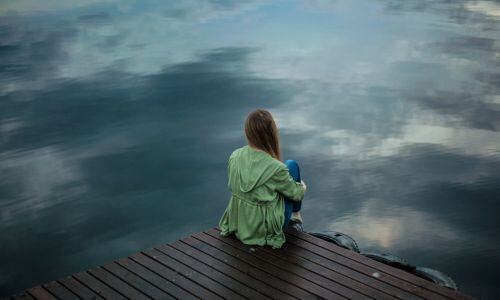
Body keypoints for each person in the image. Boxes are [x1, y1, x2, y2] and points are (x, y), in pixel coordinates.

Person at [218, 109, 307, 249]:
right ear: (272, 133)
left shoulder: (234, 156)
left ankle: (293, 215)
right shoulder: (276, 168)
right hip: (264, 229)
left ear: (247, 132)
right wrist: (302, 187)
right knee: (292, 165)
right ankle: (295, 217)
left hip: (241, 222)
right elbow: (297, 194)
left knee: (285, 171)